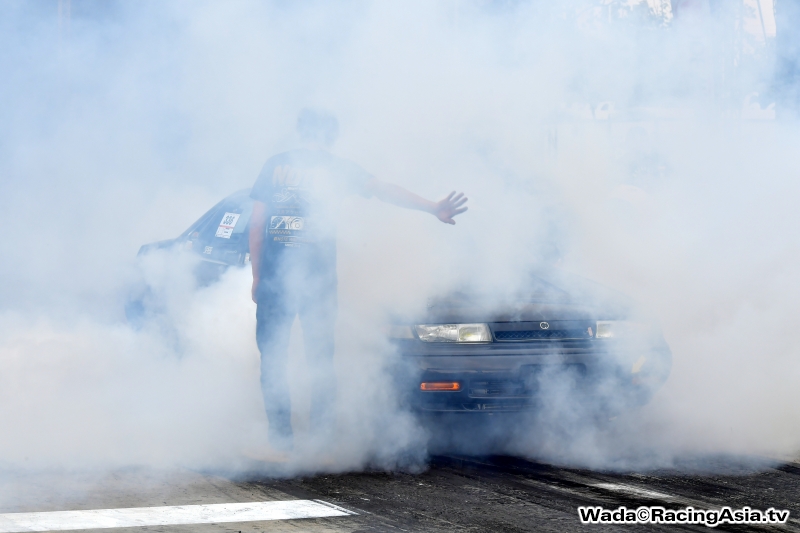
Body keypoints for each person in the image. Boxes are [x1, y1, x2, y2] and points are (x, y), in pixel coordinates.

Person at [249, 108, 467, 453]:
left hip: (276, 280)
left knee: (273, 360)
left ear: (300, 131)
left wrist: (258, 276)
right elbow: (385, 191)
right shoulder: (339, 169)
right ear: (332, 136)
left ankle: (281, 441)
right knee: (320, 358)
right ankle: (320, 442)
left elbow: (257, 225)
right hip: (318, 284)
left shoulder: (275, 165)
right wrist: (432, 207)